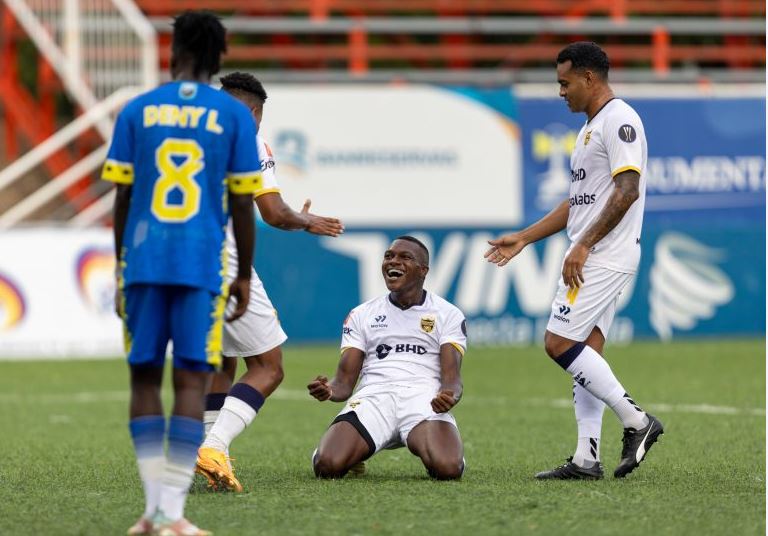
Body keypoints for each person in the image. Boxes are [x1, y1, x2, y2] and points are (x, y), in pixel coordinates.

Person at [103, 12, 262, 536]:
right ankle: (173, 511)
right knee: (193, 380)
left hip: (145, 260)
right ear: (219, 57)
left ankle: (150, 511)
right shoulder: (233, 116)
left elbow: (122, 197)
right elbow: (242, 201)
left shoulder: (138, 110)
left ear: (172, 52)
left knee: (144, 377)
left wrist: (122, 268)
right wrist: (242, 276)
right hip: (201, 264)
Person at [485, 41, 663, 480]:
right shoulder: (589, 128)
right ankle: (586, 458)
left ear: (589, 78)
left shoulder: (619, 119)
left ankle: (638, 421)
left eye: (565, 83)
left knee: (558, 343)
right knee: (586, 352)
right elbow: (577, 202)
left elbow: (627, 191)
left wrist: (583, 246)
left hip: (604, 255)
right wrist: (525, 238)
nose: (560, 91)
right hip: (598, 252)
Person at [195, 72, 344, 492]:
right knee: (268, 366)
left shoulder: (191, 134)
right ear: (255, 112)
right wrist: (307, 220)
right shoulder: (246, 134)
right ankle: (214, 447)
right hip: (220, 261)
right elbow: (274, 213)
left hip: (178, 260)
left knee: (220, 362)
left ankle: (204, 452)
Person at [307, 236, 467, 480]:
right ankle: (353, 454)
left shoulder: (448, 314)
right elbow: (344, 384)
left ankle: (438, 446)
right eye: (389, 256)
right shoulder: (361, 314)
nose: (394, 261)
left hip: (423, 399)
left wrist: (449, 396)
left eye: (405, 257)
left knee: (448, 469)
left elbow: (452, 379)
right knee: (327, 466)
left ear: (423, 271)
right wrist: (328, 389)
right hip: (375, 397)